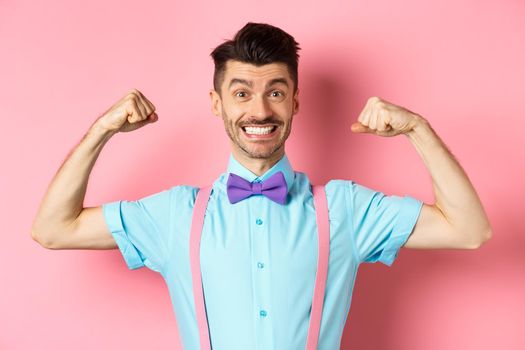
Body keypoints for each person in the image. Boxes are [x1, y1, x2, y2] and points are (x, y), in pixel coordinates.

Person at [31, 22, 492, 349]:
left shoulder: (346, 209)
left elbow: (468, 230)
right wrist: (101, 131)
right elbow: (54, 229)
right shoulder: (175, 216)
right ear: (217, 103)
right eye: (241, 93)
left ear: (295, 101)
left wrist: (418, 130)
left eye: (275, 91)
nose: (260, 110)